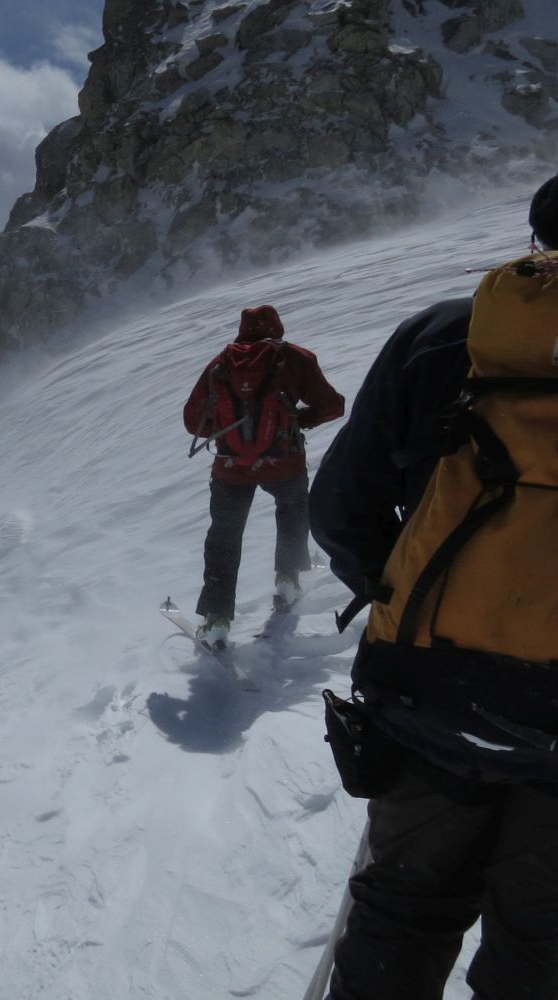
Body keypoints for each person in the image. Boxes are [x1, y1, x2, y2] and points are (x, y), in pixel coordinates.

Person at [308, 174, 558, 1000]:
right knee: (540, 947)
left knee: (402, 916)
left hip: (428, 700)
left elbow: (342, 508)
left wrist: (403, 598)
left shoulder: (447, 338)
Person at [182, 305, 344, 647]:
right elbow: (333, 406)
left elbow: (192, 418)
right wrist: (297, 420)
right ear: (277, 327)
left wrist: (231, 436)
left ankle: (217, 617)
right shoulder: (294, 358)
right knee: (293, 511)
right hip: (284, 461)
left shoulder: (220, 364)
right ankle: (288, 578)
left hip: (230, 468)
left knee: (224, 537)